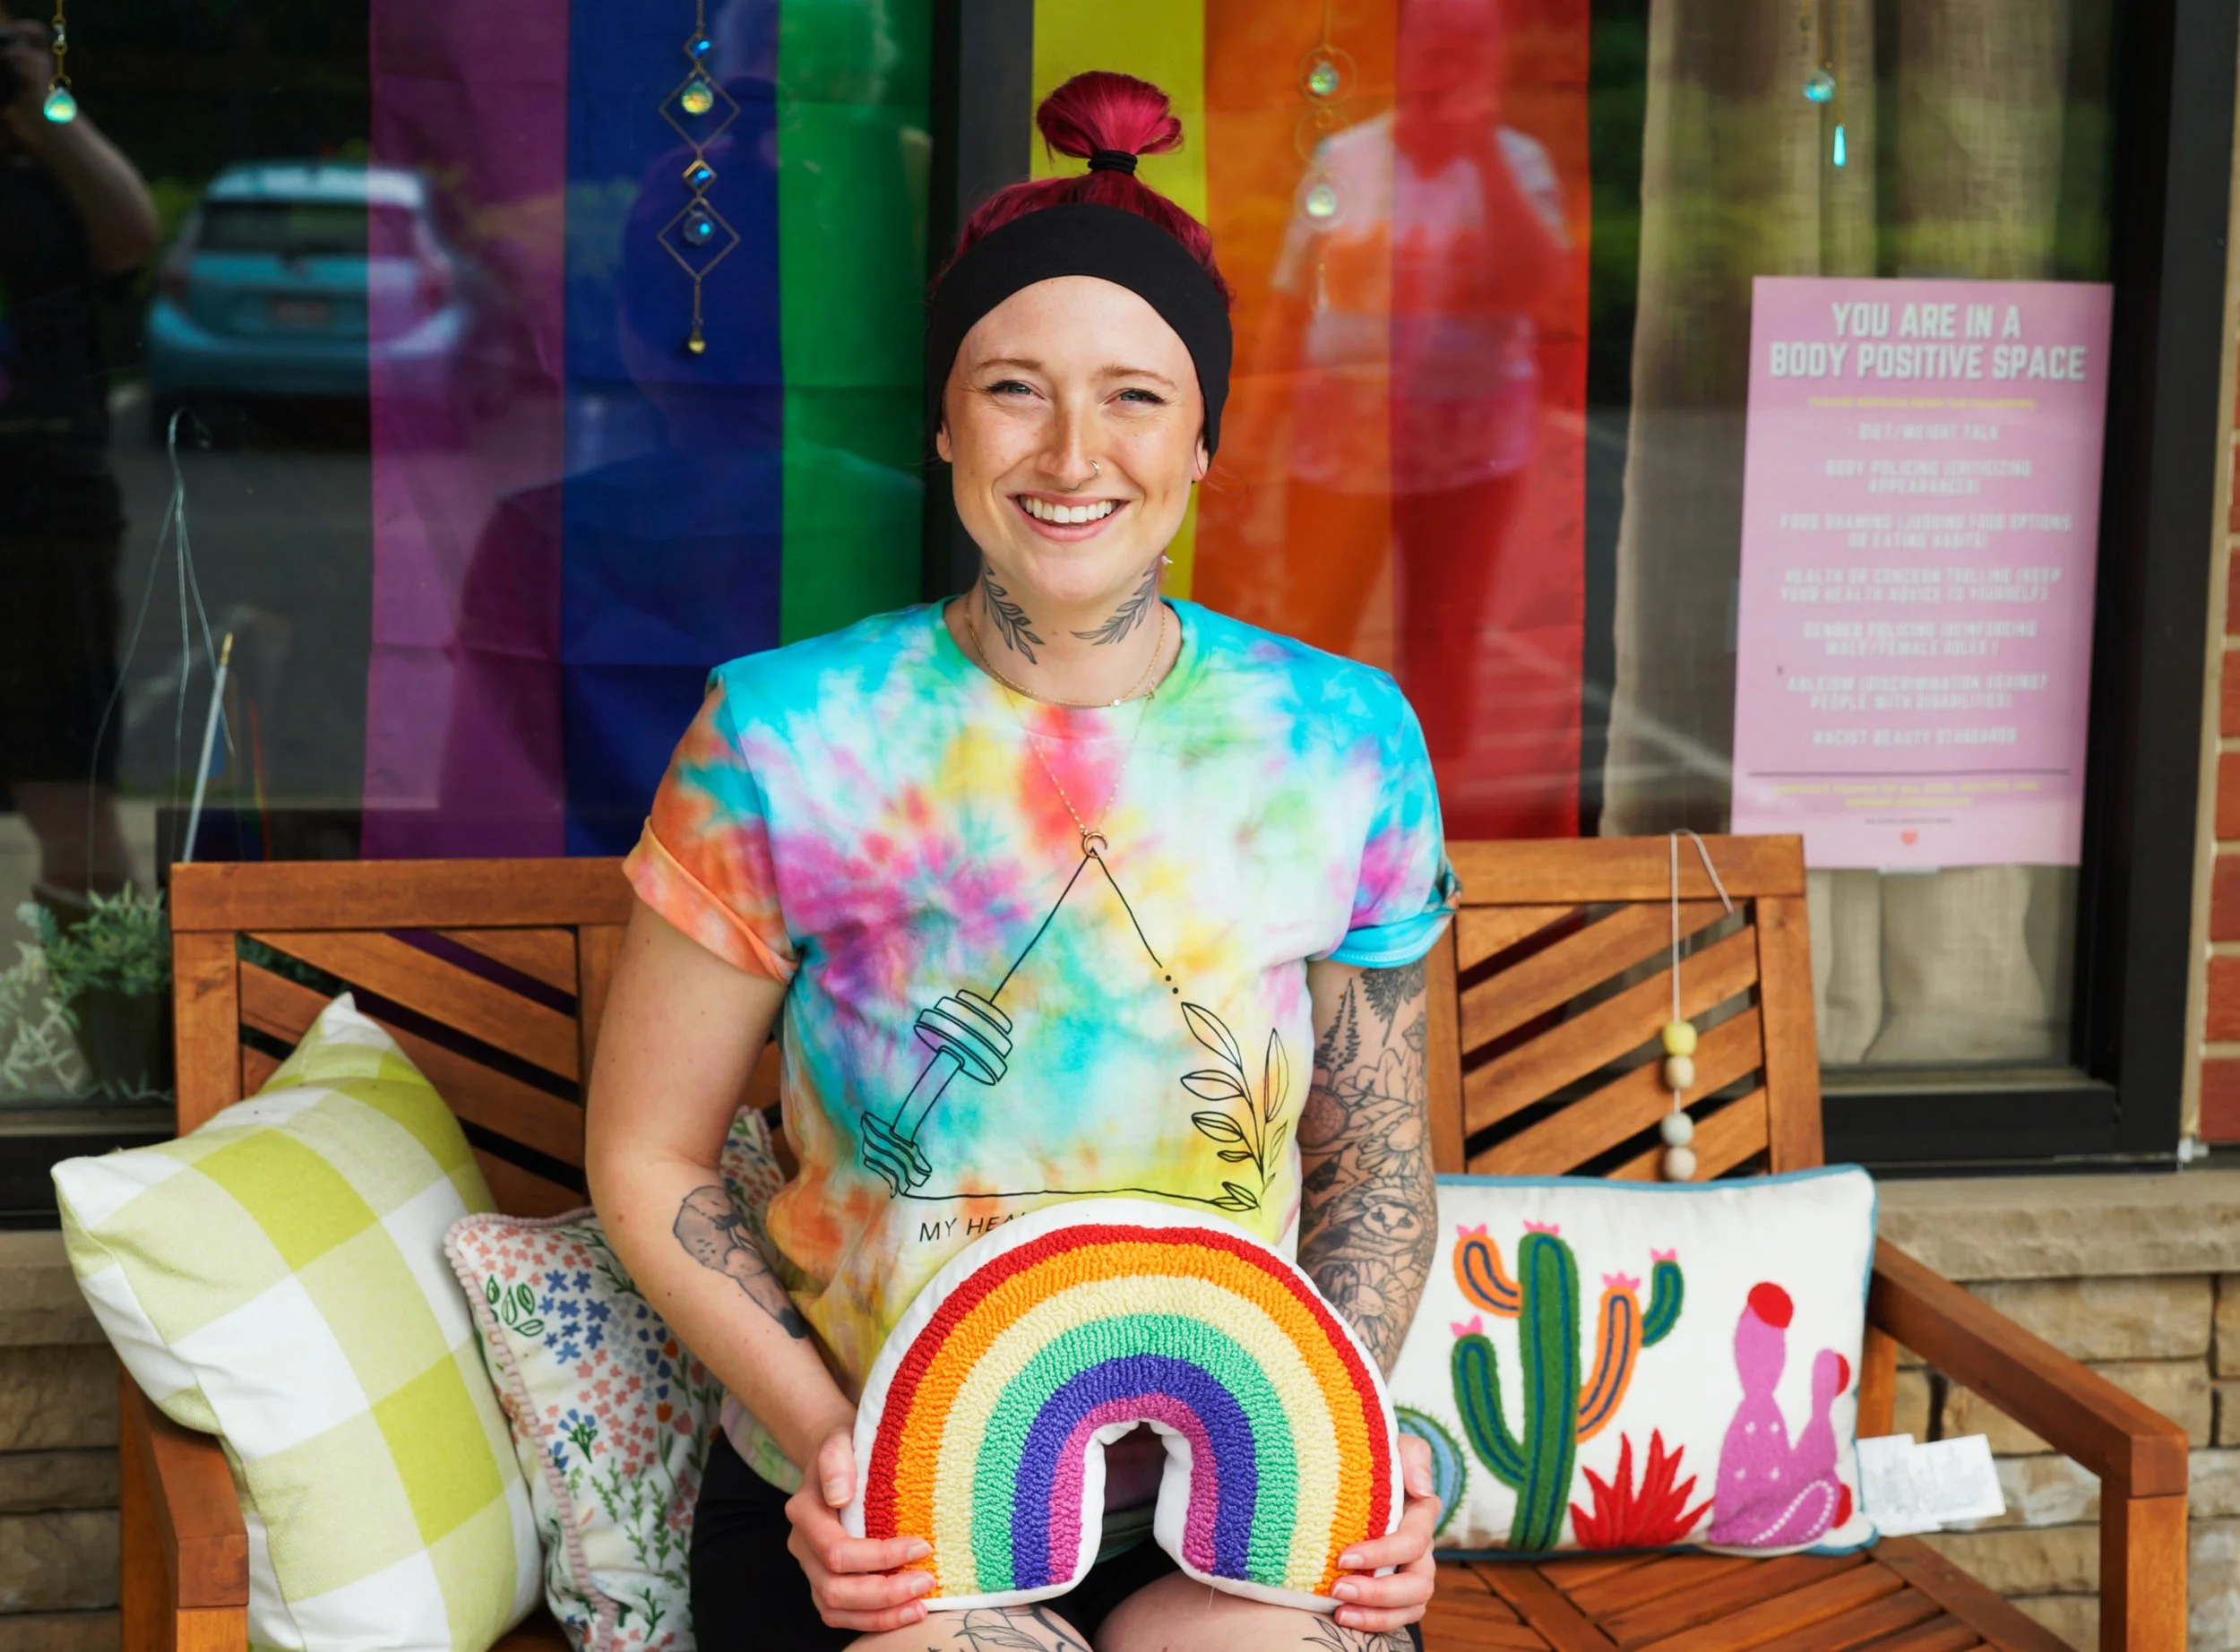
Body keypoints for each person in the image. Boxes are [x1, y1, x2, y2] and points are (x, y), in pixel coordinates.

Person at [587, 71, 1456, 1651]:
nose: (1073, 449)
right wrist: (839, 1450)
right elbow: (647, 1158)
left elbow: (1381, 1162)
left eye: (1135, 391)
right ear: (940, 421)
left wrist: (1353, 1445)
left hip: (1233, 1499)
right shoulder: (789, 732)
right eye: (1012, 388)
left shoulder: (1343, 739)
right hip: (880, 1516)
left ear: (1206, 435)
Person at [0, 11, 160, 905]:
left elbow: (132, 232)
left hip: (44, 485)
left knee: (69, 781)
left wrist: (46, 108)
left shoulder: (49, 156)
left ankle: (122, 1035)